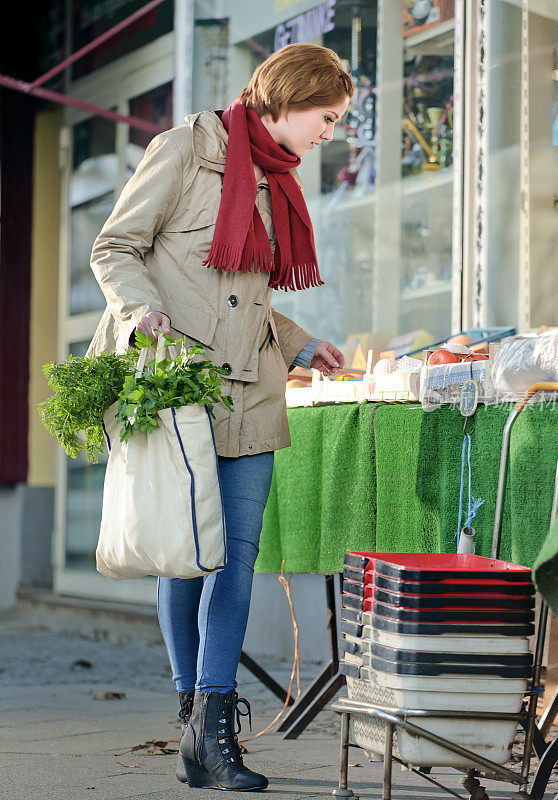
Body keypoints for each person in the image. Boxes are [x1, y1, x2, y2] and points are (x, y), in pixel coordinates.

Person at [88, 42, 354, 791]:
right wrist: (141, 313)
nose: (330, 133)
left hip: (254, 391)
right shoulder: (184, 151)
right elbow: (115, 247)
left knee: (234, 557)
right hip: (183, 389)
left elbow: (248, 294)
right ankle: (193, 718)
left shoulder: (274, 178)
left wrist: (303, 344)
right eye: (326, 117)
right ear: (288, 99)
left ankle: (214, 732)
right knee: (183, 556)